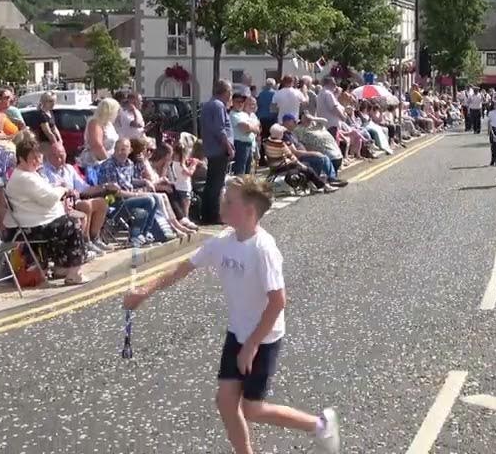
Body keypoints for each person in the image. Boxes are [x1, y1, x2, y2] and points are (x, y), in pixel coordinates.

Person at [123, 177, 340, 453]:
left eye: (229, 201)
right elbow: (182, 269)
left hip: (263, 337)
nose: (221, 203)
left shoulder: (263, 250)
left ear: (249, 211)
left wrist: (251, 346)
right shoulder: (222, 242)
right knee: (226, 402)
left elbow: (277, 302)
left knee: (253, 409)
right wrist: (144, 292)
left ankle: (320, 426)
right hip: (238, 331)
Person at [4, 137, 90, 285]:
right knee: (72, 223)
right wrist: (63, 189)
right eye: (33, 158)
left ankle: (61, 267)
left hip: (37, 221)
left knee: (68, 220)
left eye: (38, 157)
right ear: (21, 158)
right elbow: (49, 198)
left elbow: (47, 193)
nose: (37, 161)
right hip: (29, 227)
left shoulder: (30, 174)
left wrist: (56, 190)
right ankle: (74, 272)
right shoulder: (24, 177)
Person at [41, 140, 113, 254]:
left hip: (75, 201)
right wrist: (64, 190)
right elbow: (47, 191)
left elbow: (84, 188)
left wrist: (104, 187)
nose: (60, 158)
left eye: (62, 155)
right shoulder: (45, 171)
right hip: (61, 205)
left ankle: (95, 238)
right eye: (55, 156)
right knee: (85, 205)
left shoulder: (69, 168)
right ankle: (86, 241)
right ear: (49, 156)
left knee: (101, 203)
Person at [201, 80, 236, 226]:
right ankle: (213, 215)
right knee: (216, 184)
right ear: (226, 92)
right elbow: (220, 129)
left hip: (211, 149)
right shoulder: (218, 105)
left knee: (211, 183)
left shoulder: (209, 104)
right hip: (218, 150)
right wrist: (228, 147)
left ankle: (207, 214)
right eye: (230, 92)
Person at [80, 97, 120, 168]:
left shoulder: (108, 124)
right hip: (96, 162)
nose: (117, 113)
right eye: (116, 111)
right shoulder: (95, 123)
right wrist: (109, 162)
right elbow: (97, 145)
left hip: (108, 160)